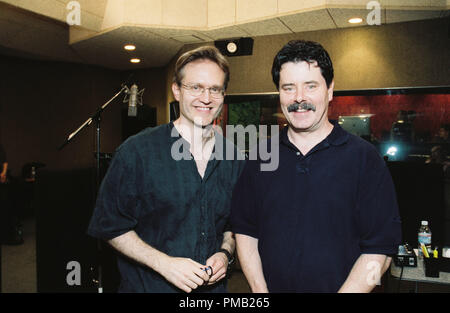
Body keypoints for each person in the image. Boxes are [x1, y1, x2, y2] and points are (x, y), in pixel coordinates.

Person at [230, 40, 402, 293]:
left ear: (330, 90)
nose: (299, 98)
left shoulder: (364, 158)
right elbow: (245, 231)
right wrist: (259, 291)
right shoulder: (261, 156)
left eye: (311, 86)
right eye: (288, 88)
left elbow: (380, 248)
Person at [88, 46, 244, 293]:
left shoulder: (234, 157)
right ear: (177, 90)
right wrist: (164, 264)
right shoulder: (137, 151)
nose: (206, 98)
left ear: (223, 94)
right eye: (195, 87)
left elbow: (231, 224)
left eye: (215, 89)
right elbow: (109, 225)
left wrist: (225, 253)